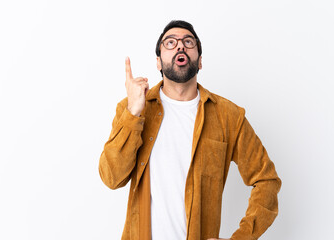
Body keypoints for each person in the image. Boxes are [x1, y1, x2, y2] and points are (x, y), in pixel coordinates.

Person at [98, 20, 281, 240]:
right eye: (170, 42)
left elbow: (266, 180)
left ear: (200, 61)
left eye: (188, 42)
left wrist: (242, 237)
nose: (180, 46)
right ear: (158, 62)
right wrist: (133, 113)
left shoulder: (229, 117)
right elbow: (111, 177)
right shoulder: (132, 108)